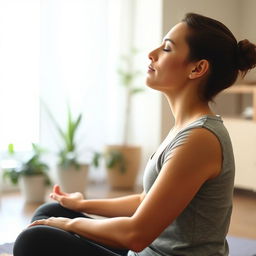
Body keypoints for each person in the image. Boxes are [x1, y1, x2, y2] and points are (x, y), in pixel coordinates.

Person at [14, 13, 256, 256]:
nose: (152, 53)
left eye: (167, 48)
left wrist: (70, 224)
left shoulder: (199, 139)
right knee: (48, 213)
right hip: (145, 251)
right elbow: (145, 201)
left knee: (35, 239)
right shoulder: (185, 129)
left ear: (197, 68)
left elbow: (136, 235)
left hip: (147, 249)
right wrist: (80, 205)